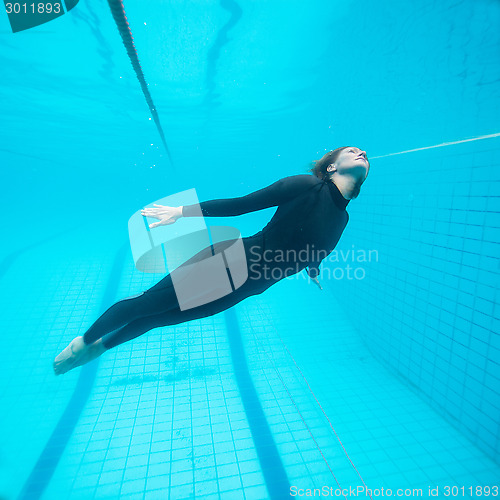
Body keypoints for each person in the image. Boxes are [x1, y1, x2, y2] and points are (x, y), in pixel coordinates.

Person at [53, 146, 370, 375]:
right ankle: (84, 341)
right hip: (232, 261)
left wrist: (313, 270)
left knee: (159, 318)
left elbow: (313, 251)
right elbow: (242, 204)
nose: (362, 154)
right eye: (353, 150)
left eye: (364, 155)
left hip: (249, 287)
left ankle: (99, 348)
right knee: (147, 305)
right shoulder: (307, 186)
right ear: (331, 167)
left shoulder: (341, 219)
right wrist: (181, 212)